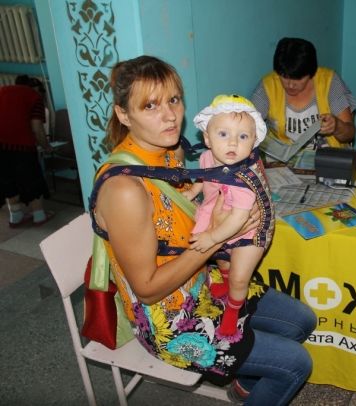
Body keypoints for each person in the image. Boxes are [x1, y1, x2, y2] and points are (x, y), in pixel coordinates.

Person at [90, 55, 315, 405]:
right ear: (123, 114)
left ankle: (244, 387)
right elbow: (147, 290)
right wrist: (218, 236)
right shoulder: (123, 190)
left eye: (173, 100)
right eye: (150, 106)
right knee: (296, 364)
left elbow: (187, 213)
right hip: (169, 319)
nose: (169, 116)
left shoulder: (170, 151)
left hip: (203, 281)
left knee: (302, 320)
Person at [184, 94, 274, 338]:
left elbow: (238, 219)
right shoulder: (206, 156)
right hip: (219, 217)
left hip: (249, 229)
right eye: (223, 134)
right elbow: (204, 175)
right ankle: (225, 280)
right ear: (207, 138)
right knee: (223, 260)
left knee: (239, 277)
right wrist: (194, 190)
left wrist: (213, 237)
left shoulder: (244, 178)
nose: (233, 142)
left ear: (253, 142)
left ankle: (234, 311)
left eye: (243, 136)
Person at [251, 37, 356, 159]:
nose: (290, 85)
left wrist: (337, 126)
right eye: (284, 76)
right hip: (284, 161)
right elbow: (249, 125)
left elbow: (350, 133)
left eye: (298, 78)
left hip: (327, 159)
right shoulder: (269, 86)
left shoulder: (329, 82)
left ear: (311, 73)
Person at [0, 75, 54, 227]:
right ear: (36, 88)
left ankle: (15, 217)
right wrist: (46, 146)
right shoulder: (34, 97)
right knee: (31, 180)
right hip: (22, 147)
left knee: (7, 180)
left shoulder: (2, 91)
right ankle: (39, 216)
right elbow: (37, 128)